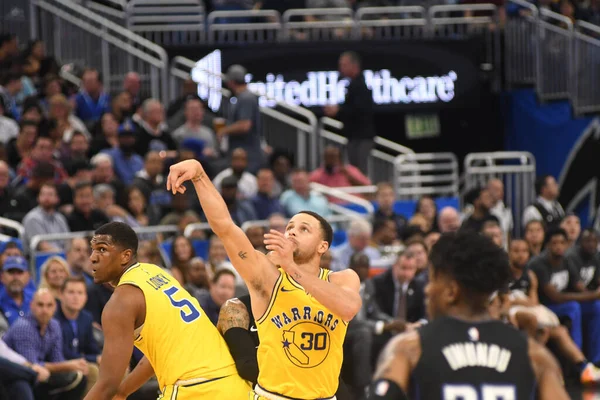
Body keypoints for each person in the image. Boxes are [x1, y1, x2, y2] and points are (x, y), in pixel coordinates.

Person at [167, 159, 361, 400]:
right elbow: (225, 228)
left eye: (304, 229)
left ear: (323, 246)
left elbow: (348, 308)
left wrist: (292, 267)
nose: (291, 231)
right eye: (290, 226)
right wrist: (199, 175)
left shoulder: (343, 278)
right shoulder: (267, 278)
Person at [368, 231, 569, 400]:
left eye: (432, 280)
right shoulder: (535, 355)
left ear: (451, 292)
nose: (427, 291)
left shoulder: (409, 347)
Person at [83, 222, 250, 399]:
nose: (92, 257)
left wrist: (116, 390)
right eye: (92, 249)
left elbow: (107, 385)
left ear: (125, 256)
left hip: (195, 388)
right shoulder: (156, 273)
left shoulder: (120, 304)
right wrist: (123, 392)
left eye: (102, 249)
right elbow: (158, 351)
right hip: (234, 384)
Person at [216, 294, 352, 400]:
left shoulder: (301, 307)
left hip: (304, 389)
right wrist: (304, 385)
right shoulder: (236, 308)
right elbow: (246, 365)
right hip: (255, 390)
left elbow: (325, 371)